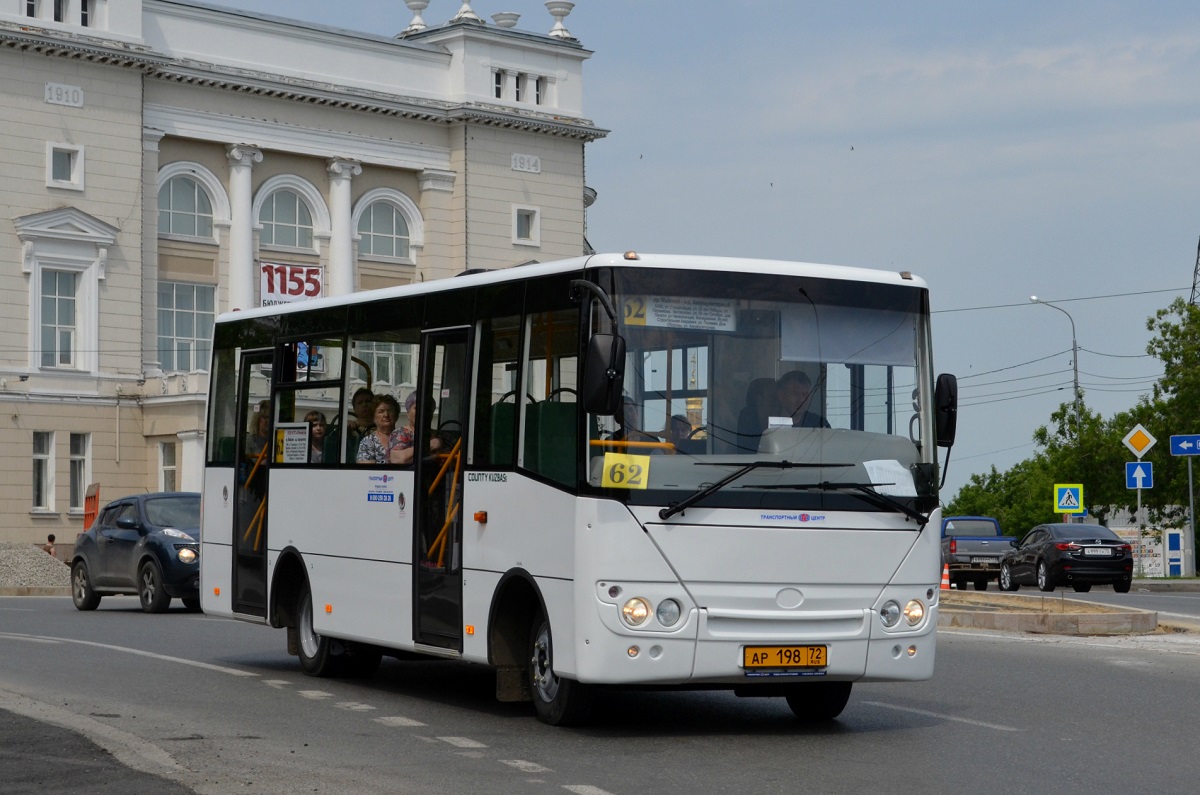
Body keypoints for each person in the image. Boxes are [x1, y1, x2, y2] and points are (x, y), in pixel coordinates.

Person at [389, 392, 444, 465]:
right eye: (416, 408)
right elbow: (398, 459)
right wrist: (429, 445)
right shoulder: (400, 433)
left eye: (427, 408)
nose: (422, 411)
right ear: (408, 412)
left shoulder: (440, 435)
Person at [736, 377, 779, 451]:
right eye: (773, 395)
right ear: (758, 398)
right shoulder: (748, 416)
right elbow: (746, 448)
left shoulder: (781, 414)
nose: (777, 399)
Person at [357, 395, 402, 464]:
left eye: (390, 411)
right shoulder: (367, 442)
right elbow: (366, 470)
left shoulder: (406, 437)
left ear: (396, 415)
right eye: (381, 411)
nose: (386, 415)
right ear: (373, 417)